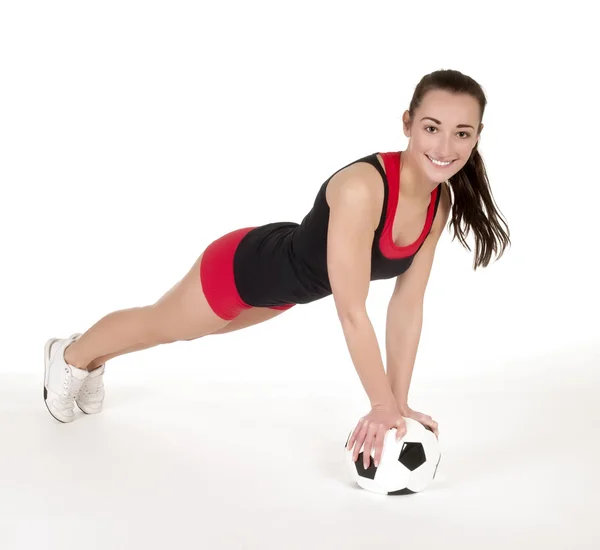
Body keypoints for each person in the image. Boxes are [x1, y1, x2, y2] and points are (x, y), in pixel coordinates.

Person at [43, 69, 510, 471]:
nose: (446, 147)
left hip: (287, 290)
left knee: (180, 330)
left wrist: (399, 401)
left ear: (478, 135)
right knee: (164, 326)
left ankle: (95, 359)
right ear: (408, 124)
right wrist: (380, 403)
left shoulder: (440, 200)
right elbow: (352, 311)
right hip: (243, 268)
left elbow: (407, 305)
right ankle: (71, 356)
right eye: (432, 128)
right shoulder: (363, 188)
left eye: (462, 133)